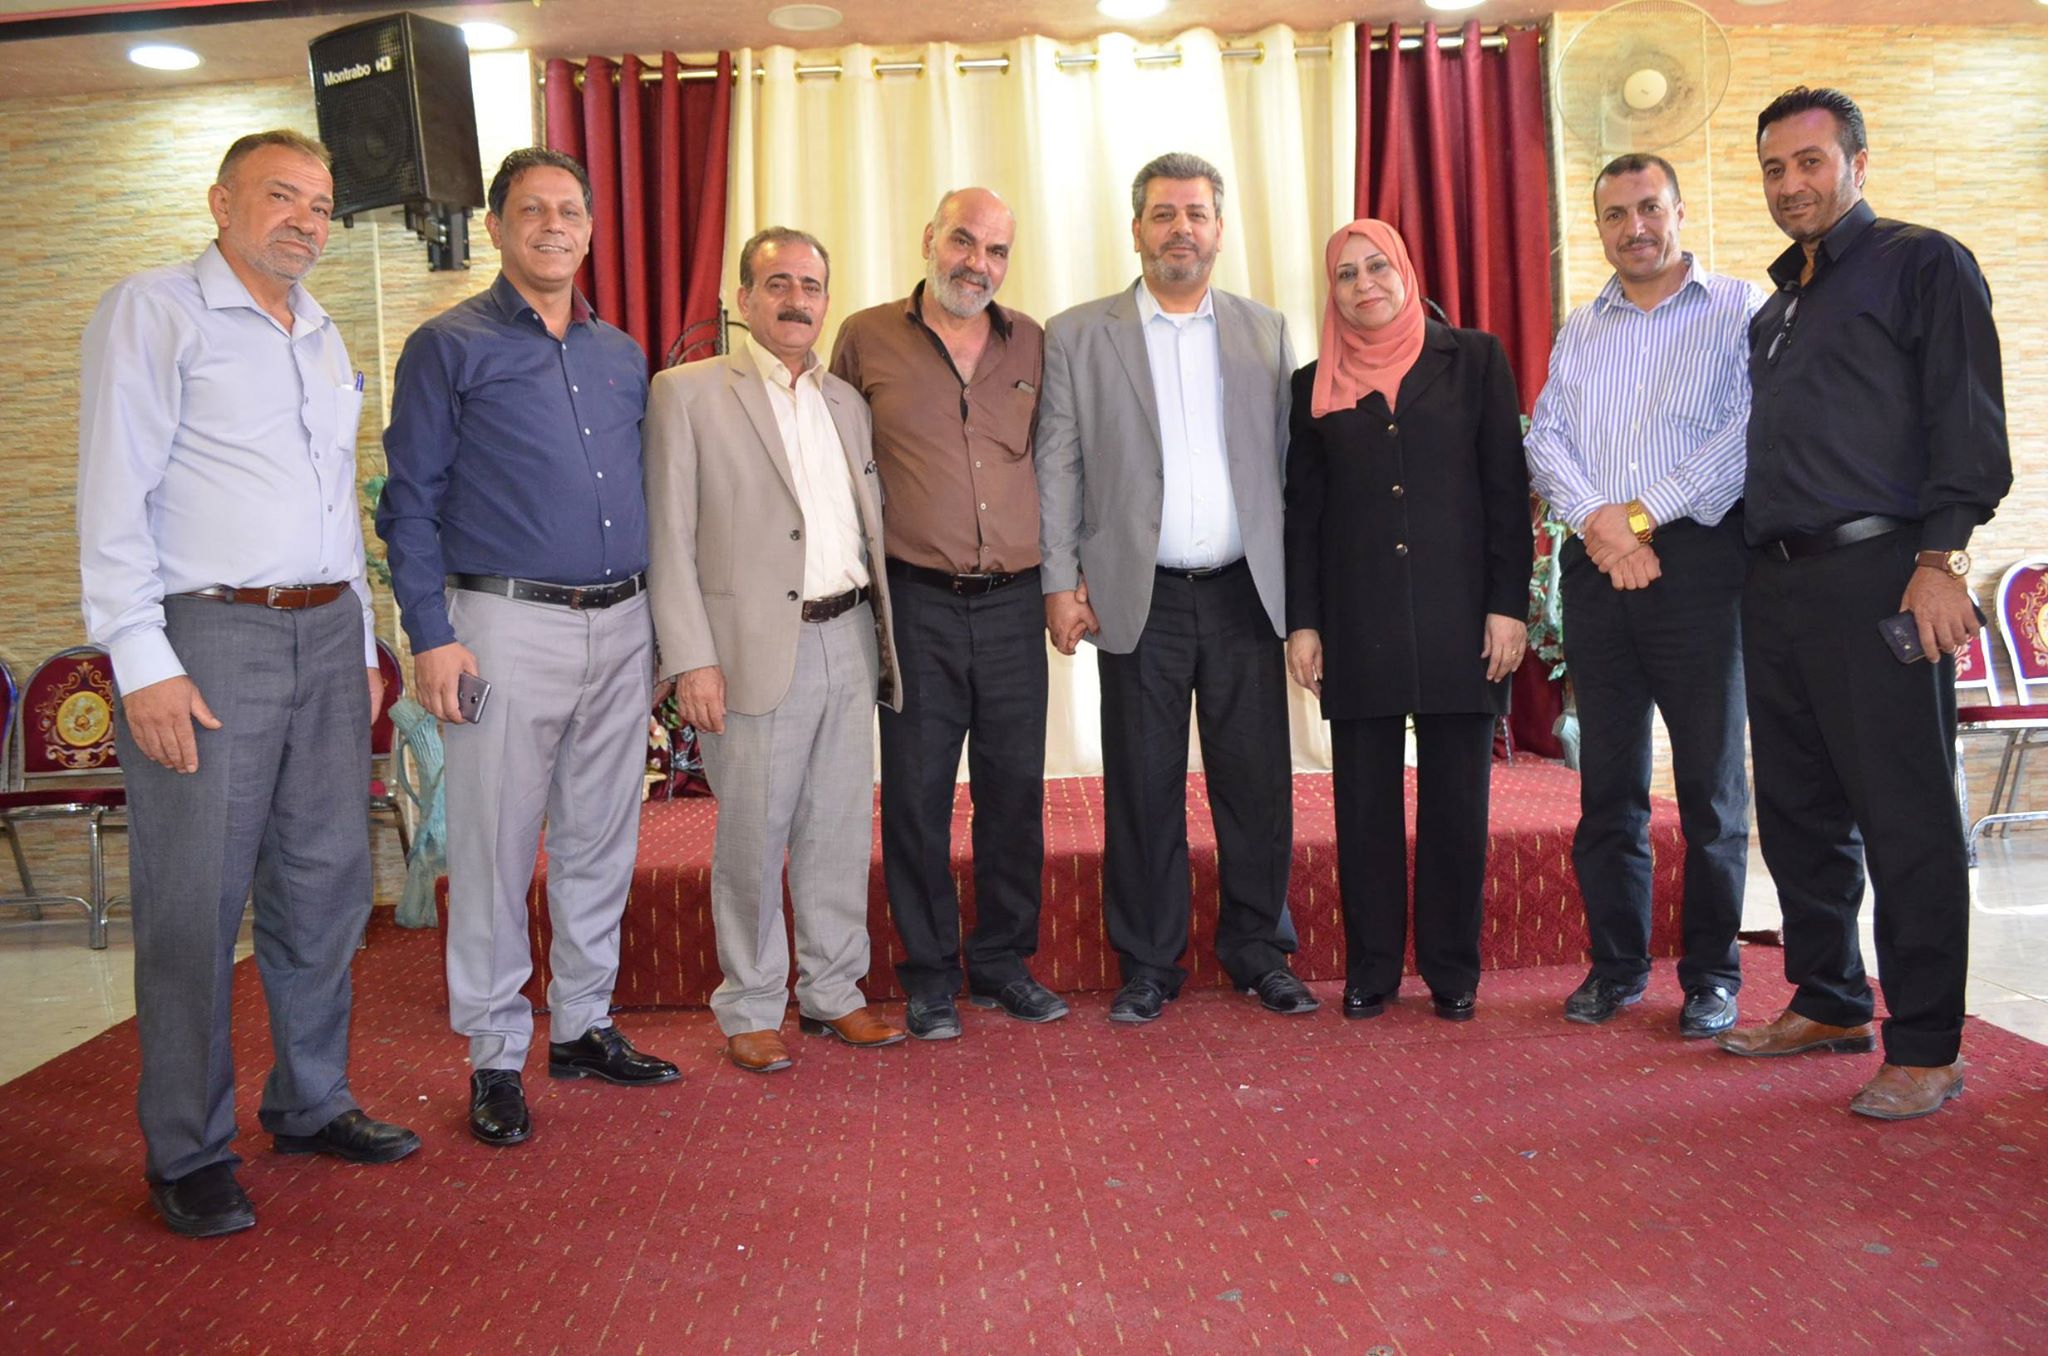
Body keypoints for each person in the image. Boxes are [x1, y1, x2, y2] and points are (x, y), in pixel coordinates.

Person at [78, 129, 419, 1238]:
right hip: (208, 636)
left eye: (320, 205)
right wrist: (142, 662)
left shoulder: (319, 332)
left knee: (324, 886)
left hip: (324, 635)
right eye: (282, 197)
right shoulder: (155, 311)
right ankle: (187, 1149)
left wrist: (362, 644)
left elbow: (334, 499)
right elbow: (112, 498)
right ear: (222, 202)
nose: (305, 222)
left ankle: (311, 1100)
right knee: (195, 900)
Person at [1716, 87, 2011, 1121]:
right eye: (1773, 168)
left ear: (1856, 162)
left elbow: (1967, 422)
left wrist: (1941, 560)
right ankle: (1828, 999)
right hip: (1776, 582)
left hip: (1883, 574)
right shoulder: (1775, 307)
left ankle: (1926, 1046)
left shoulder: (1921, 263)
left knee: (1904, 815)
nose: (1790, 183)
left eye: (1809, 161)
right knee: (1798, 811)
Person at [378, 147, 679, 1149]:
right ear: (497, 227)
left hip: (622, 621)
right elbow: (409, 504)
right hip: (502, 625)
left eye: (570, 210)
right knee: (496, 847)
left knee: (601, 838)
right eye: (532, 210)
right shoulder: (446, 345)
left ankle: (584, 1025)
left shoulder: (620, 354)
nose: (554, 226)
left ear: (590, 228)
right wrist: (431, 637)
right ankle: (496, 1054)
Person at [1036, 152, 1314, 1024]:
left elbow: (1291, 471)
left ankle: (1258, 950)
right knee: (1143, 785)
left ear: (1219, 230)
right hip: (1137, 595)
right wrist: (1058, 582)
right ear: (1136, 231)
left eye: (1195, 214)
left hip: (1243, 593)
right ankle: (1150, 961)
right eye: (1163, 215)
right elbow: (1058, 467)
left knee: (1256, 784)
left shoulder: (1265, 330)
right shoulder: (1078, 335)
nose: (1180, 229)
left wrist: (1307, 599)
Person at [645, 227, 908, 1073]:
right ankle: (751, 1004)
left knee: (838, 831)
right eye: (779, 284)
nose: (797, 301)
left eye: (811, 286)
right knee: (753, 838)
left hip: (850, 638)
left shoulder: (847, 404)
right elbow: (668, 538)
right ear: (744, 299)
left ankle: (834, 992)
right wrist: (691, 659)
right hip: (750, 652)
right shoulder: (687, 393)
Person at [1525, 155, 1761, 1038]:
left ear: (1680, 210)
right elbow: (1546, 440)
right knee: (1608, 786)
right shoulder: (1582, 328)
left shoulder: (1737, 309)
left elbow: (1749, 432)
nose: (1635, 228)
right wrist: (1602, 522)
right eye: (1616, 214)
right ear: (1599, 227)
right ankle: (1616, 967)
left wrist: (1640, 515)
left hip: (1697, 562)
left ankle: (1711, 976)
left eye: (1650, 208)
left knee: (1710, 788)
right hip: (1596, 566)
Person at [829, 189, 1066, 1041]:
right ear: (929, 238)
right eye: (964, 241)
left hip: (1013, 607)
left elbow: (1058, 464)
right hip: (916, 604)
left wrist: (1067, 583)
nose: (978, 263)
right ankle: (929, 975)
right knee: (918, 797)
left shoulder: (1033, 341)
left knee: (1015, 794)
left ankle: (1002, 962)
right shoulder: (864, 337)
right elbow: (833, 462)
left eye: (996, 250)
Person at [1283, 220, 1530, 1023]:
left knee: (1458, 803)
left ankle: (1453, 969)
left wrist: (1508, 606)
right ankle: (1374, 967)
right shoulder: (1312, 385)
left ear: (1405, 270)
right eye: (1346, 274)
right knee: (1364, 808)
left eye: (1377, 267)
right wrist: (1304, 622)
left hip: (1463, 615)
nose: (1365, 285)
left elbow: (1505, 490)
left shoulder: (1475, 359)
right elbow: (1303, 515)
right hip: (1358, 618)